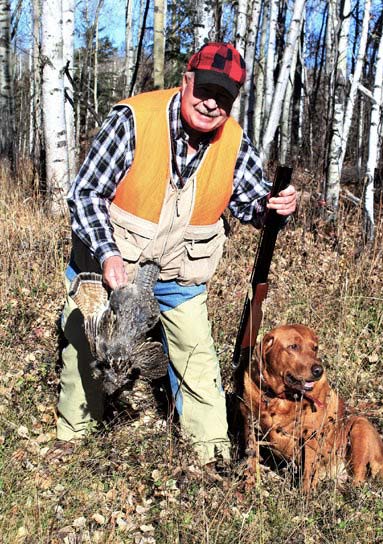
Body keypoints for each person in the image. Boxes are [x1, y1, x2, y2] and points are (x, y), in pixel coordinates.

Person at [57, 42, 296, 466]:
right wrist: (109, 257)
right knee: (87, 350)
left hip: (179, 275)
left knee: (200, 367)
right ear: (185, 81)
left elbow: (250, 202)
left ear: (232, 102)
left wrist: (273, 206)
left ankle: (213, 463)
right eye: (204, 89)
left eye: (222, 97)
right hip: (113, 263)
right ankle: (72, 450)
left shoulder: (234, 142)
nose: (210, 103)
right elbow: (85, 194)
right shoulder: (134, 120)